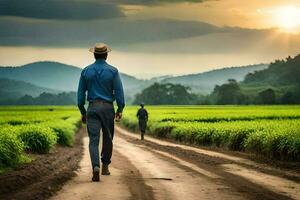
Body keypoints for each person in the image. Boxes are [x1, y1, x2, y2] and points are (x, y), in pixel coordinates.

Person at [77, 43, 125, 182]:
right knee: (108, 137)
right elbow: (119, 92)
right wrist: (120, 109)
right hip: (108, 108)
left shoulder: (86, 71)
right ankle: (105, 166)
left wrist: (83, 111)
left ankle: (95, 167)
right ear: (106, 55)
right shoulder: (113, 71)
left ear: (94, 55)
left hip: (92, 107)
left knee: (93, 140)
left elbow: (80, 95)